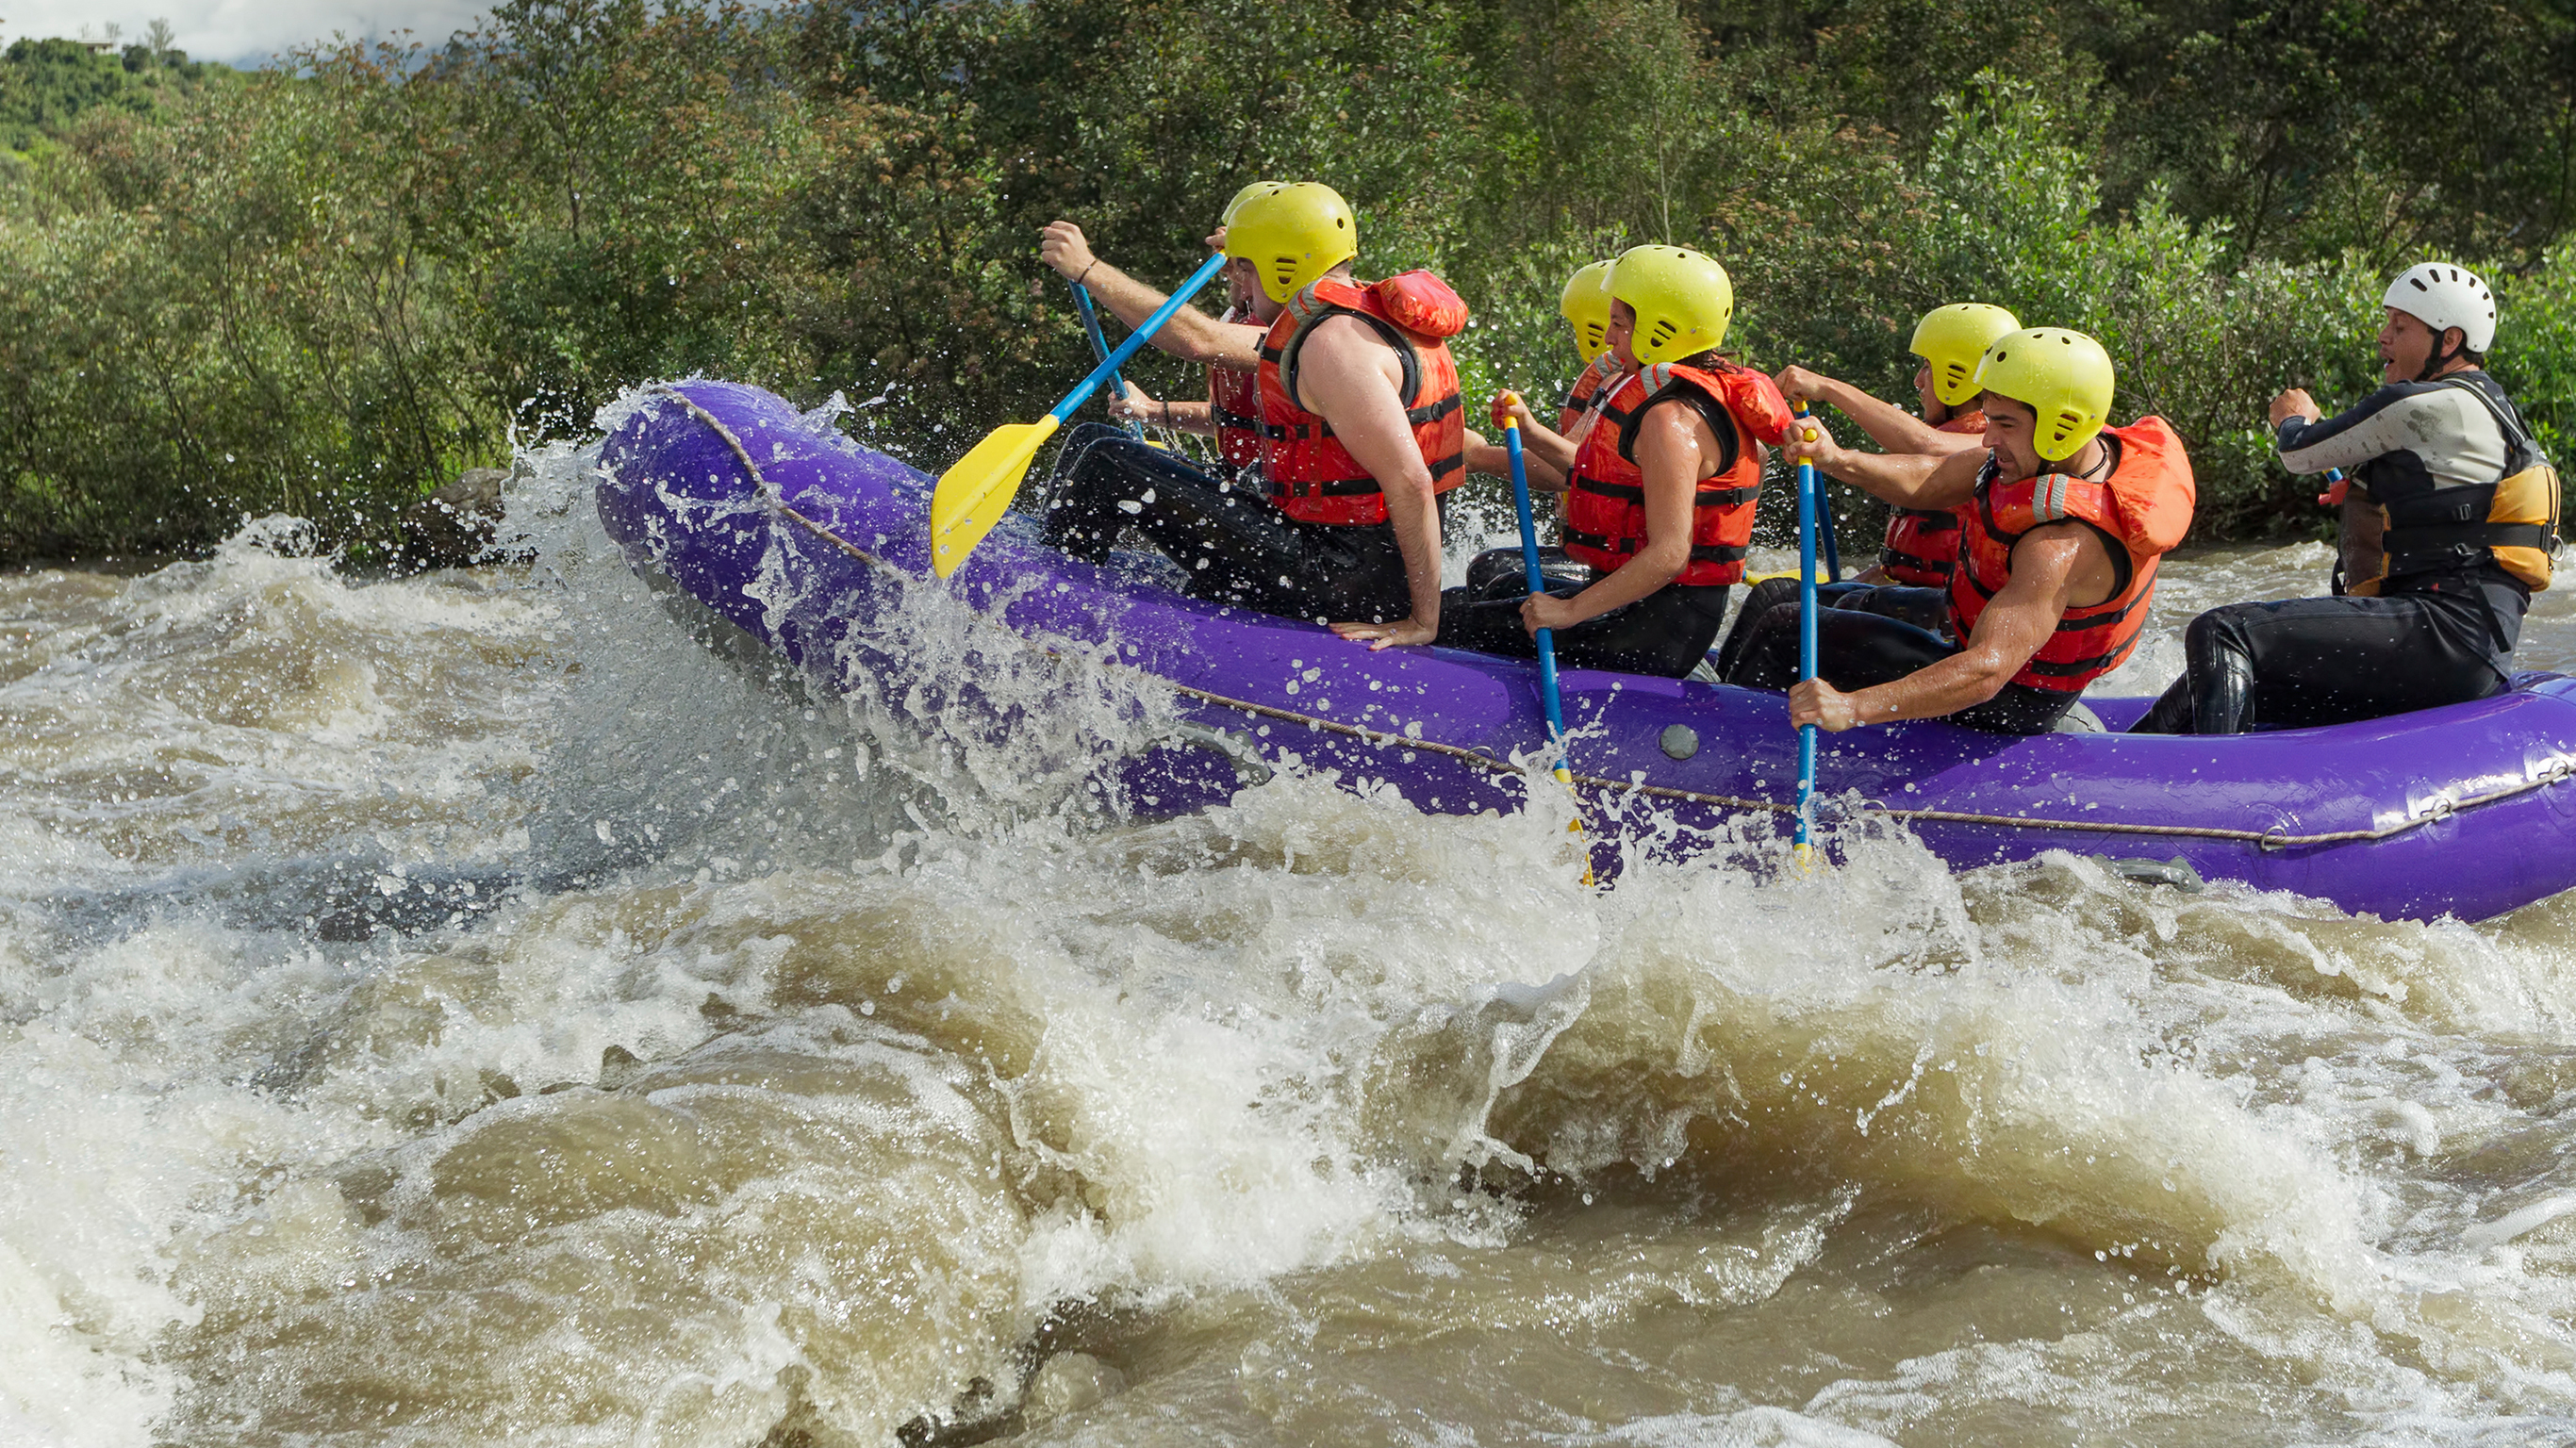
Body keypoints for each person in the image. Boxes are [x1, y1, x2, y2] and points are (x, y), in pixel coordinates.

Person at [2132, 263, 2558, 733]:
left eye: (2400, 326)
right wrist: (2370, 491)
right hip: (2472, 649)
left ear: (2450, 340)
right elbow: (2458, 505)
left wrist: (2295, 418)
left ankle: (2211, 789)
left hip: (2440, 633)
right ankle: (2126, 767)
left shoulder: (2424, 402)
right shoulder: (2492, 407)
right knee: (2223, 680)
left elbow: (2299, 453)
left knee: (2220, 632)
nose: (2383, 337)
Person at [1038, 183, 1471, 645]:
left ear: (1284, 269)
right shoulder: (1339, 317)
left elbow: (1411, 481)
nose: (1238, 286)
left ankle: (1044, 609)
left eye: (1244, 270)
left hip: (1343, 581)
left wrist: (1425, 622)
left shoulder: (1333, 344)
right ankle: (1048, 568)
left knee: (1109, 462)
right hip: (1327, 552)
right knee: (1093, 438)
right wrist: (1249, 243)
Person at [1726, 328, 2196, 734]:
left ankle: (1726, 741)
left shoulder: (2060, 544)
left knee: (1784, 628)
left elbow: (1986, 672)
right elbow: (1932, 478)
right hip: (1976, 636)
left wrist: (1851, 708)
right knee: (1808, 600)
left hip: (2007, 702)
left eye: (2005, 424)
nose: (1989, 438)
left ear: (2062, 424)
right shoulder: (2055, 454)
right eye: (1990, 420)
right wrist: (1837, 458)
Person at [1436, 245, 1794, 678]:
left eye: (1620, 325)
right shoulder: (1672, 399)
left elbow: (1669, 555)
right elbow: (1590, 473)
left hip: (1654, 630)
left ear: (1662, 331)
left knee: (1448, 621)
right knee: (1502, 586)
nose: (1608, 337)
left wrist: (1569, 612)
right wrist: (1530, 431)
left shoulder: (1671, 420)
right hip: (1637, 605)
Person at [1710, 303, 2018, 677]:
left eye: (1926, 367)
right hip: (1915, 598)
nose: (1919, 382)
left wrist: (1827, 389)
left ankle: (1734, 712)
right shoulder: (1982, 436)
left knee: (1784, 619)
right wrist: (1846, 588)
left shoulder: (1994, 443)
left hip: (1944, 621)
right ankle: (1726, 687)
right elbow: (1901, 570)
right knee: (1773, 594)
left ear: (1959, 376)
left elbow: (1928, 447)